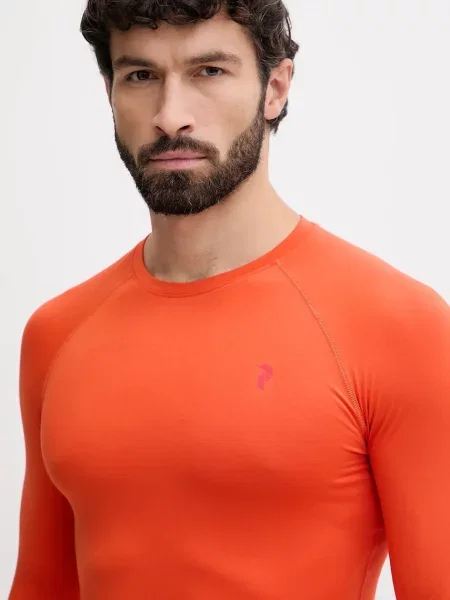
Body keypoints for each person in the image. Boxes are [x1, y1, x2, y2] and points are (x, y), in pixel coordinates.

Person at [8, 1, 450, 599]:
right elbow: (41, 586)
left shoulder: (400, 328)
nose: (170, 116)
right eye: (140, 75)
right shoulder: (56, 335)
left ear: (275, 88)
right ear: (109, 91)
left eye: (209, 71)